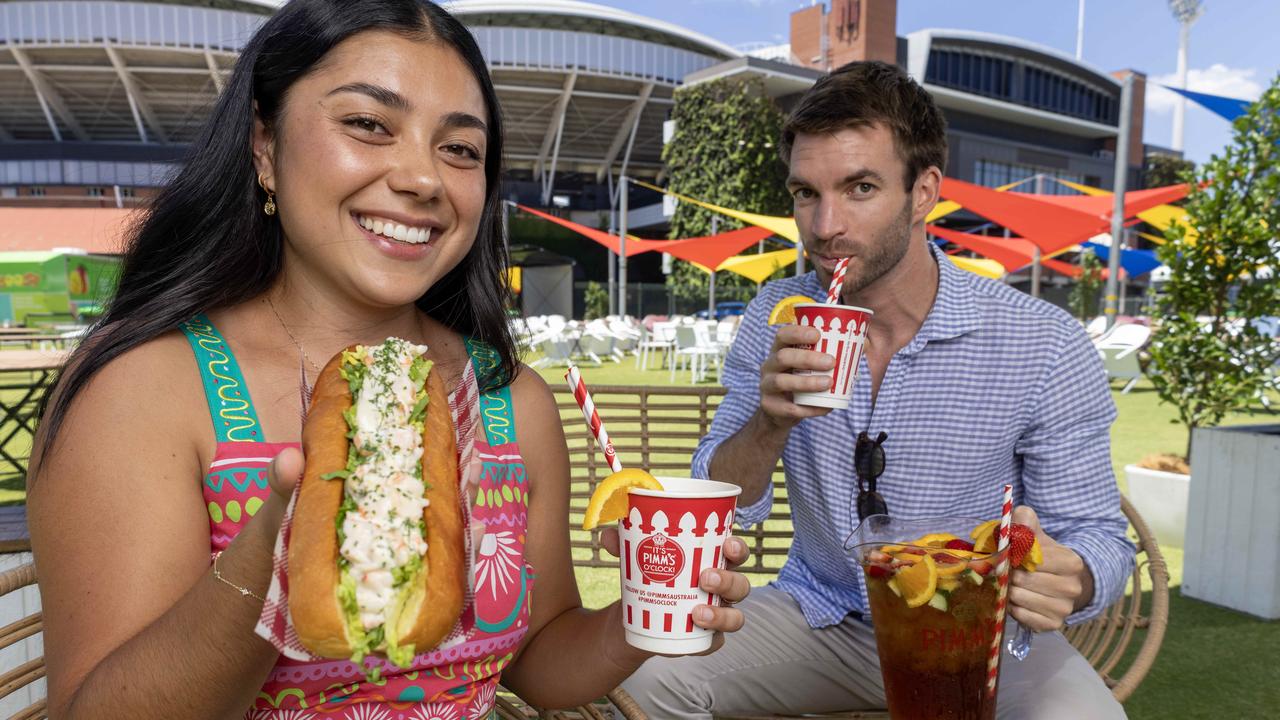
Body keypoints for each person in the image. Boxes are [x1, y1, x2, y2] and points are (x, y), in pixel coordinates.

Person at [26, 2, 751, 718]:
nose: (423, 178)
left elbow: (539, 663)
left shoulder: (511, 399)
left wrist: (649, 612)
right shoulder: (142, 385)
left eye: (460, 149)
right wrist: (274, 550)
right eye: (369, 125)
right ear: (263, 145)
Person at [622, 61, 1133, 719]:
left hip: (978, 630)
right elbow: (725, 505)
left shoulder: (1043, 343)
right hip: (821, 616)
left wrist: (1077, 574)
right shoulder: (777, 313)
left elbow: (1097, 535)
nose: (825, 225)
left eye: (859, 187)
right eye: (806, 193)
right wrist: (768, 423)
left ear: (923, 193)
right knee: (647, 679)